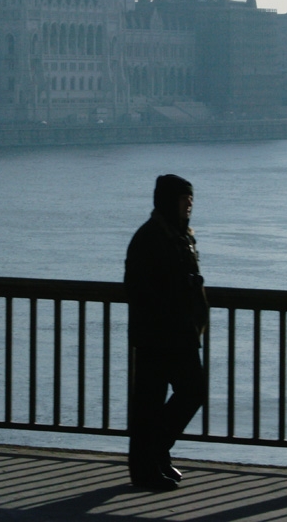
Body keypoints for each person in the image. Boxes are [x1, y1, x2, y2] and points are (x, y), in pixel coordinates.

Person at [124, 174, 208, 491]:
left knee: (159, 400)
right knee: (177, 395)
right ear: (168, 201)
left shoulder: (176, 234)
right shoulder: (150, 238)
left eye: (191, 200)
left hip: (177, 333)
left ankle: (153, 458)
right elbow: (140, 289)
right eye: (184, 199)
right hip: (160, 336)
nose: (189, 205)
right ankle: (146, 466)